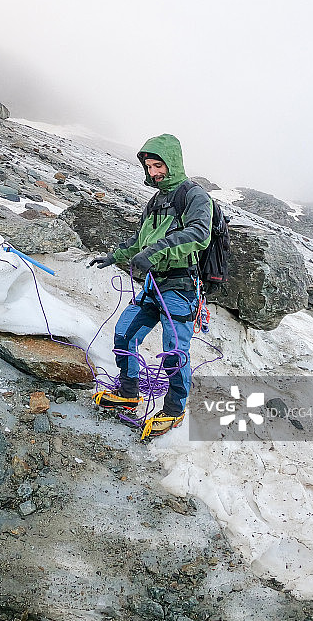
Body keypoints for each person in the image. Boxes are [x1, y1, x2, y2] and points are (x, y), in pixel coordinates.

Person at [89, 133, 212, 438]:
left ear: (173, 162)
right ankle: (130, 393)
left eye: (159, 165)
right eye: (150, 167)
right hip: (152, 286)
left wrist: (154, 253)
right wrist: (114, 256)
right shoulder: (155, 201)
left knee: (174, 353)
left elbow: (199, 234)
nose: (154, 172)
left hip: (181, 289)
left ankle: (174, 409)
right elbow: (139, 239)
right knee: (124, 334)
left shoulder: (194, 196)